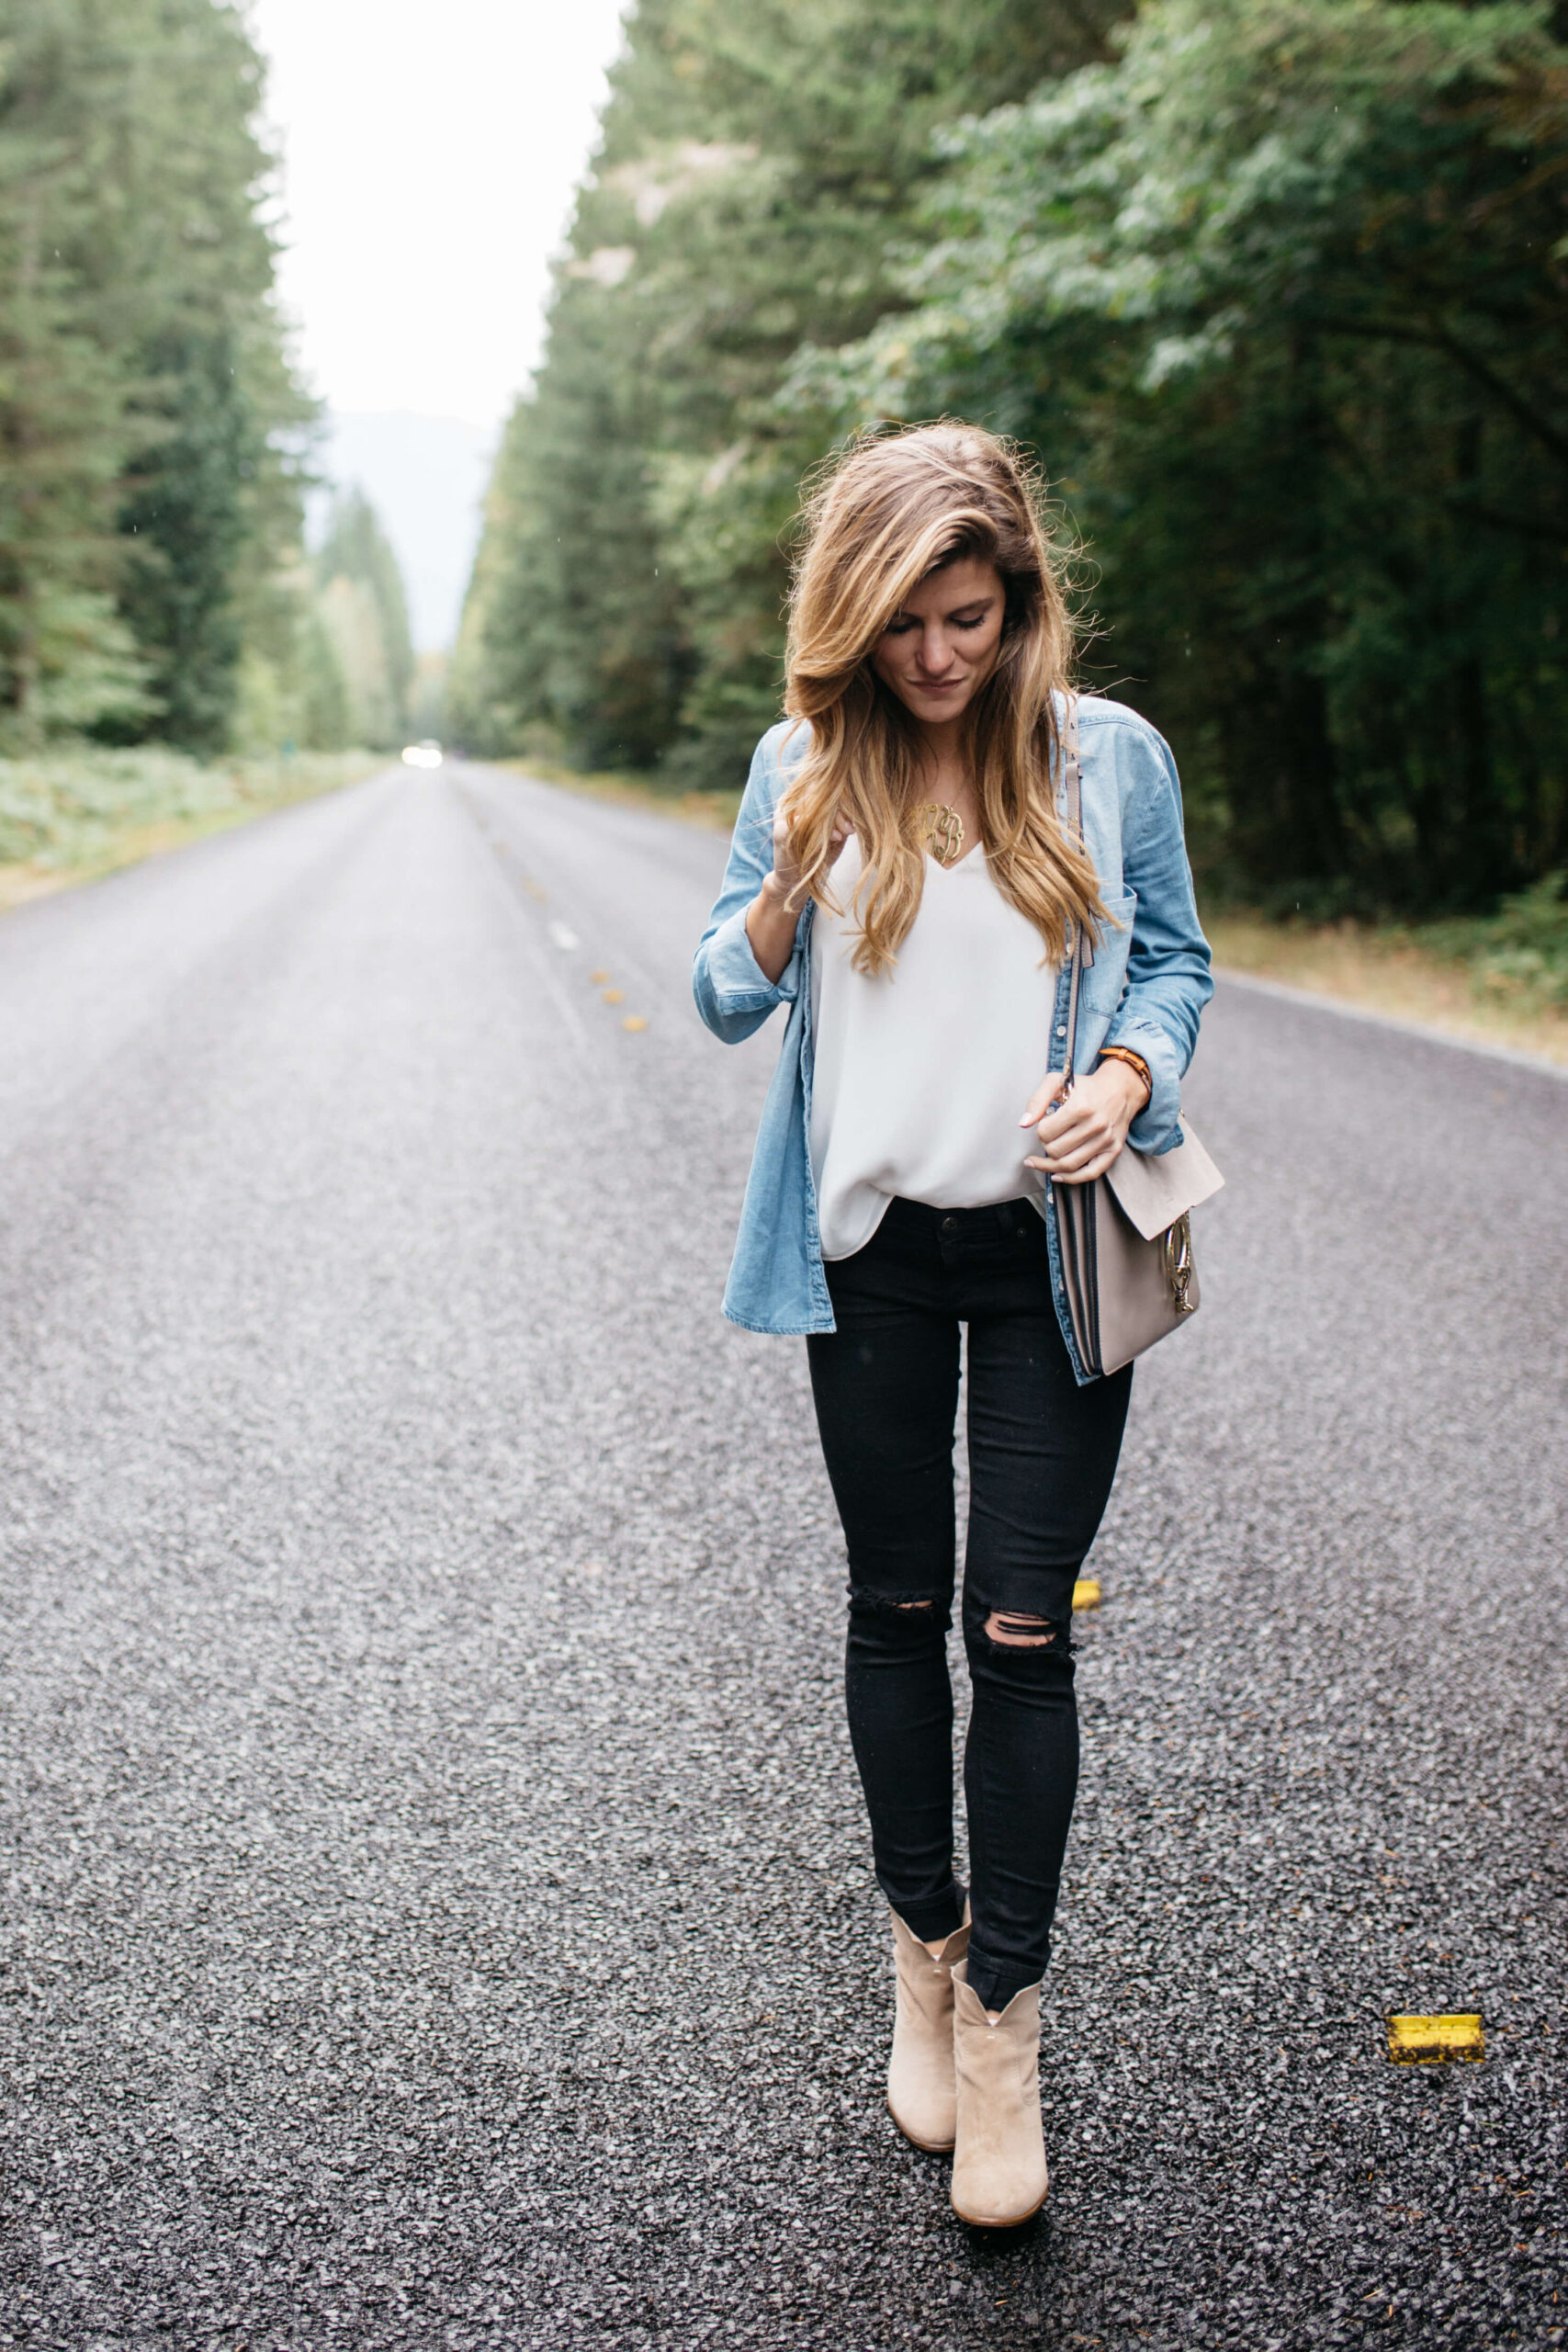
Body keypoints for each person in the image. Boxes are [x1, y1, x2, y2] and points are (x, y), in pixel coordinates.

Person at [692, 424, 1212, 2229]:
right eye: (906, 621)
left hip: (1052, 1248)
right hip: (873, 1259)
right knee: (894, 1604)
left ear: (1018, 604)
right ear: (853, 615)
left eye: (971, 617)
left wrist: (1128, 1068)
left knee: (1020, 1629)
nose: (938, 656)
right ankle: (922, 1946)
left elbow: (1170, 956)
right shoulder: (801, 758)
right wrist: (785, 871)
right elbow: (718, 991)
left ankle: (1001, 2026)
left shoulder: (1100, 758)